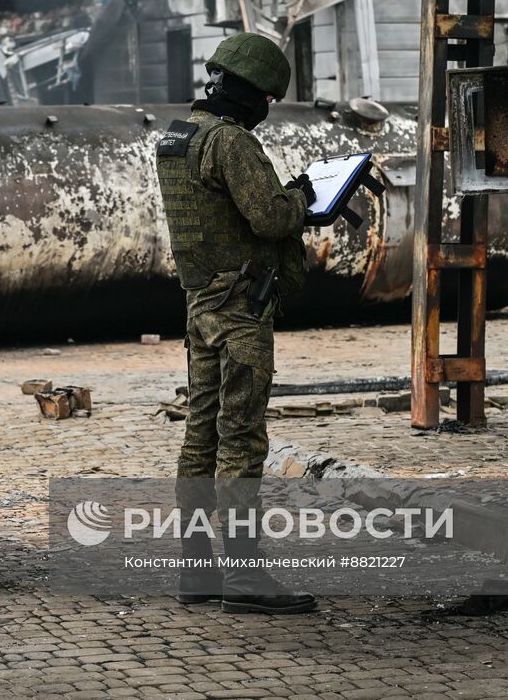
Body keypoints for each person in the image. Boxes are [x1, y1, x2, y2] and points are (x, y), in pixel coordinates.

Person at [154, 31, 317, 615]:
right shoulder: (232, 143)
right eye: (267, 99)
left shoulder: (178, 137)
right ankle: (248, 581)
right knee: (242, 439)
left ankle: (198, 572)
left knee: (200, 435)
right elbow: (271, 218)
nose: (267, 111)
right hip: (243, 308)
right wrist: (305, 198)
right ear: (250, 94)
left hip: (200, 303)